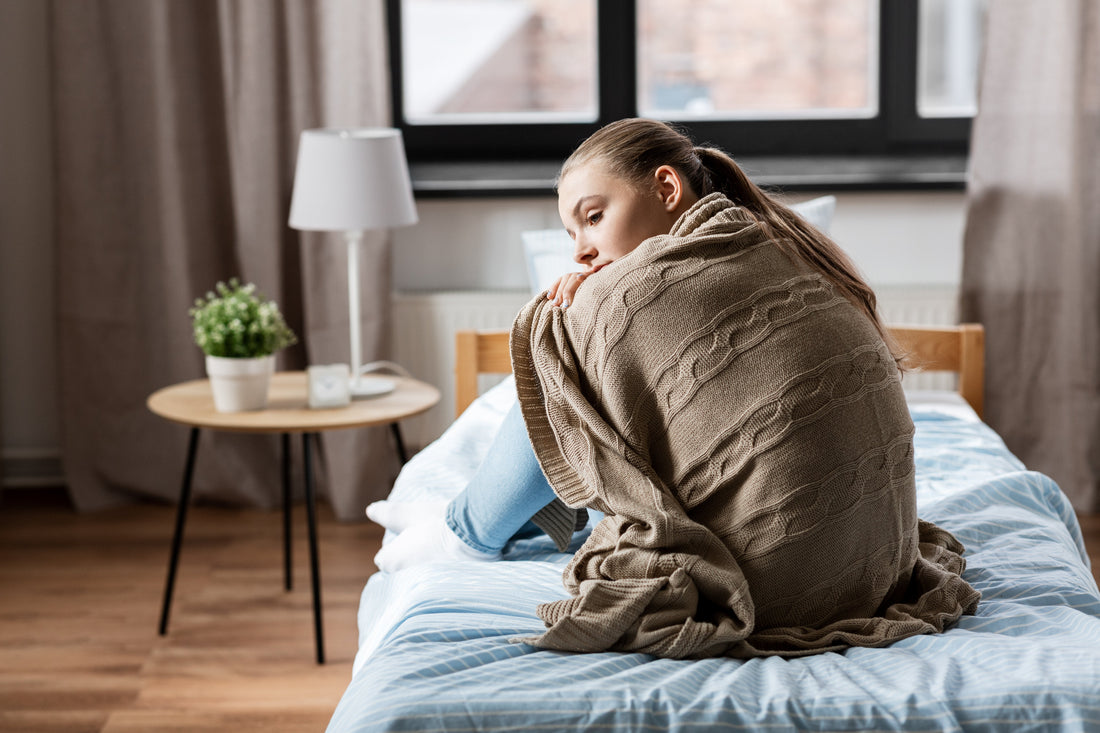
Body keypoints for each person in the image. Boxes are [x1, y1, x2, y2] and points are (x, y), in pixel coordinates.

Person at [368, 118, 980, 658]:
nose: (581, 251)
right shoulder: (785, 250)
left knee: (556, 349)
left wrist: (577, 317)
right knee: (602, 417)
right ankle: (486, 522)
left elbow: (563, 375)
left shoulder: (632, 297)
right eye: (570, 233)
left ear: (667, 188)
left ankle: (465, 535)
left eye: (594, 216)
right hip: (872, 569)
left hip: (776, 586)